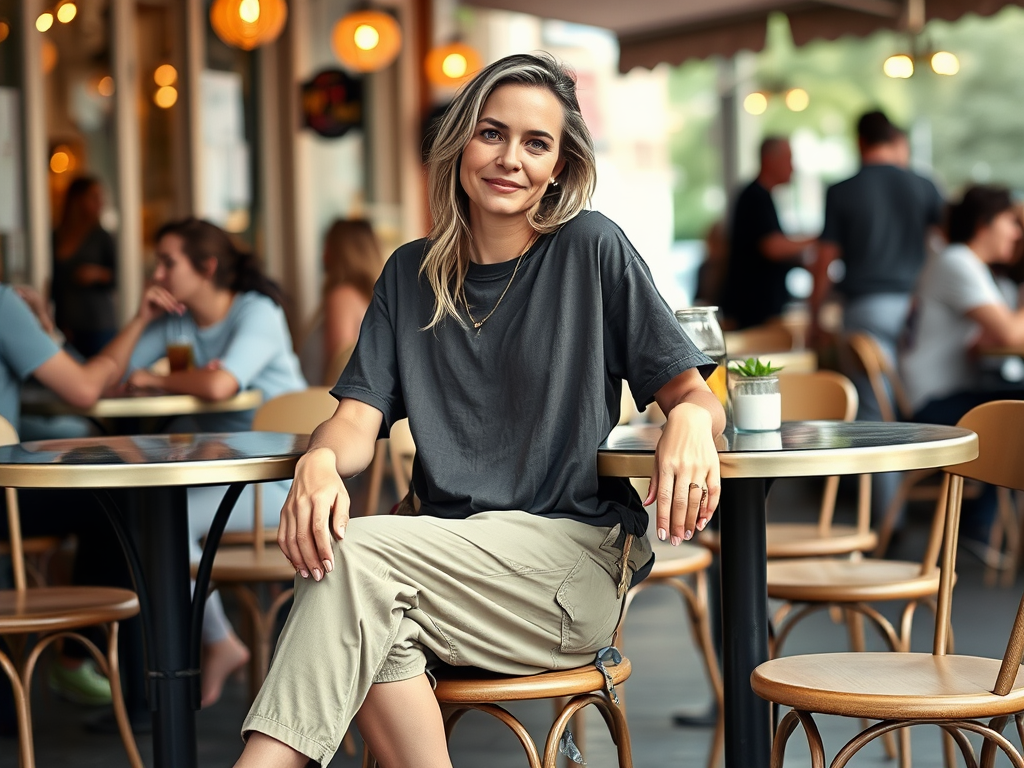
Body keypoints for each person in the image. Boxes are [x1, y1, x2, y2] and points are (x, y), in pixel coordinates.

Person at [233, 52, 725, 768]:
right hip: (438, 570)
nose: (510, 160)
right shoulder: (408, 273)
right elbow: (355, 422)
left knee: (351, 559)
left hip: (569, 564)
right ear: (460, 141)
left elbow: (693, 395)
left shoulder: (592, 249)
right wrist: (317, 460)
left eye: (537, 143)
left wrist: (685, 418)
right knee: (367, 613)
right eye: (492, 134)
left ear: (560, 166)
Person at [122, 218, 307, 706]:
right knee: (158, 514)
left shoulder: (256, 312)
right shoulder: (176, 321)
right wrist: (141, 320)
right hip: (219, 476)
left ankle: (217, 642)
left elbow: (220, 385)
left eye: (167, 262)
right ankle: (217, 643)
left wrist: (157, 381)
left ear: (206, 266)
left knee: (168, 518)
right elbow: (112, 376)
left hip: (277, 483)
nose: (157, 274)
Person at [0, 281, 163, 709]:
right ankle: (95, 670)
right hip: (3, 501)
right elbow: (87, 389)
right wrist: (142, 319)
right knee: (113, 500)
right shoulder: (2, 303)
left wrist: (43, 331)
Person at [900, 185, 1024, 552]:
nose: (1017, 233)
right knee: (1018, 411)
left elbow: (992, 336)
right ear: (986, 223)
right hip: (931, 407)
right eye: (1011, 222)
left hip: (949, 393)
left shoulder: (965, 264)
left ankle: (983, 523)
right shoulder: (958, 261)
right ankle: (981, 524)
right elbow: (1012, 334)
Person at [812, 110, 945, 420]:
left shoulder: (842, 190)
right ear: (893, 138)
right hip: (919, 309)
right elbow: (949, 246)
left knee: (875, 407)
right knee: (915, 396)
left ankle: (887, 470)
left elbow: (825, 260)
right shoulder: (924, 185)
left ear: (860, 141)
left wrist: (814, 313)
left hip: (866, 311)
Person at [720, 137, 816, 329]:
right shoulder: (754, 197)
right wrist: (818, 239)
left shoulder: (761, 196)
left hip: (760, 306)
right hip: (753, 309)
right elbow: (772, 247)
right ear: (770, 160)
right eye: (789, 159)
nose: (793, 167)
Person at [298, 218, 385, 386]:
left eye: (327, 246)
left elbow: (338, 369)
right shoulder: (369, 297)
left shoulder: (342, 297)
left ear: (341, 251)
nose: (323, 255)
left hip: (322, 407)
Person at [51, 177, 118, 357]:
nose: (100, 202)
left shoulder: (102, 236)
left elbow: (119, 277)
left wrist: (97, 274)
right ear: (77, 200)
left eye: (101, 197)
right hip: (69, 323)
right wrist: (59, 321)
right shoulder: (57, 236)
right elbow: (55, 285)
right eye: (93, 196)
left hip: (98, 322)